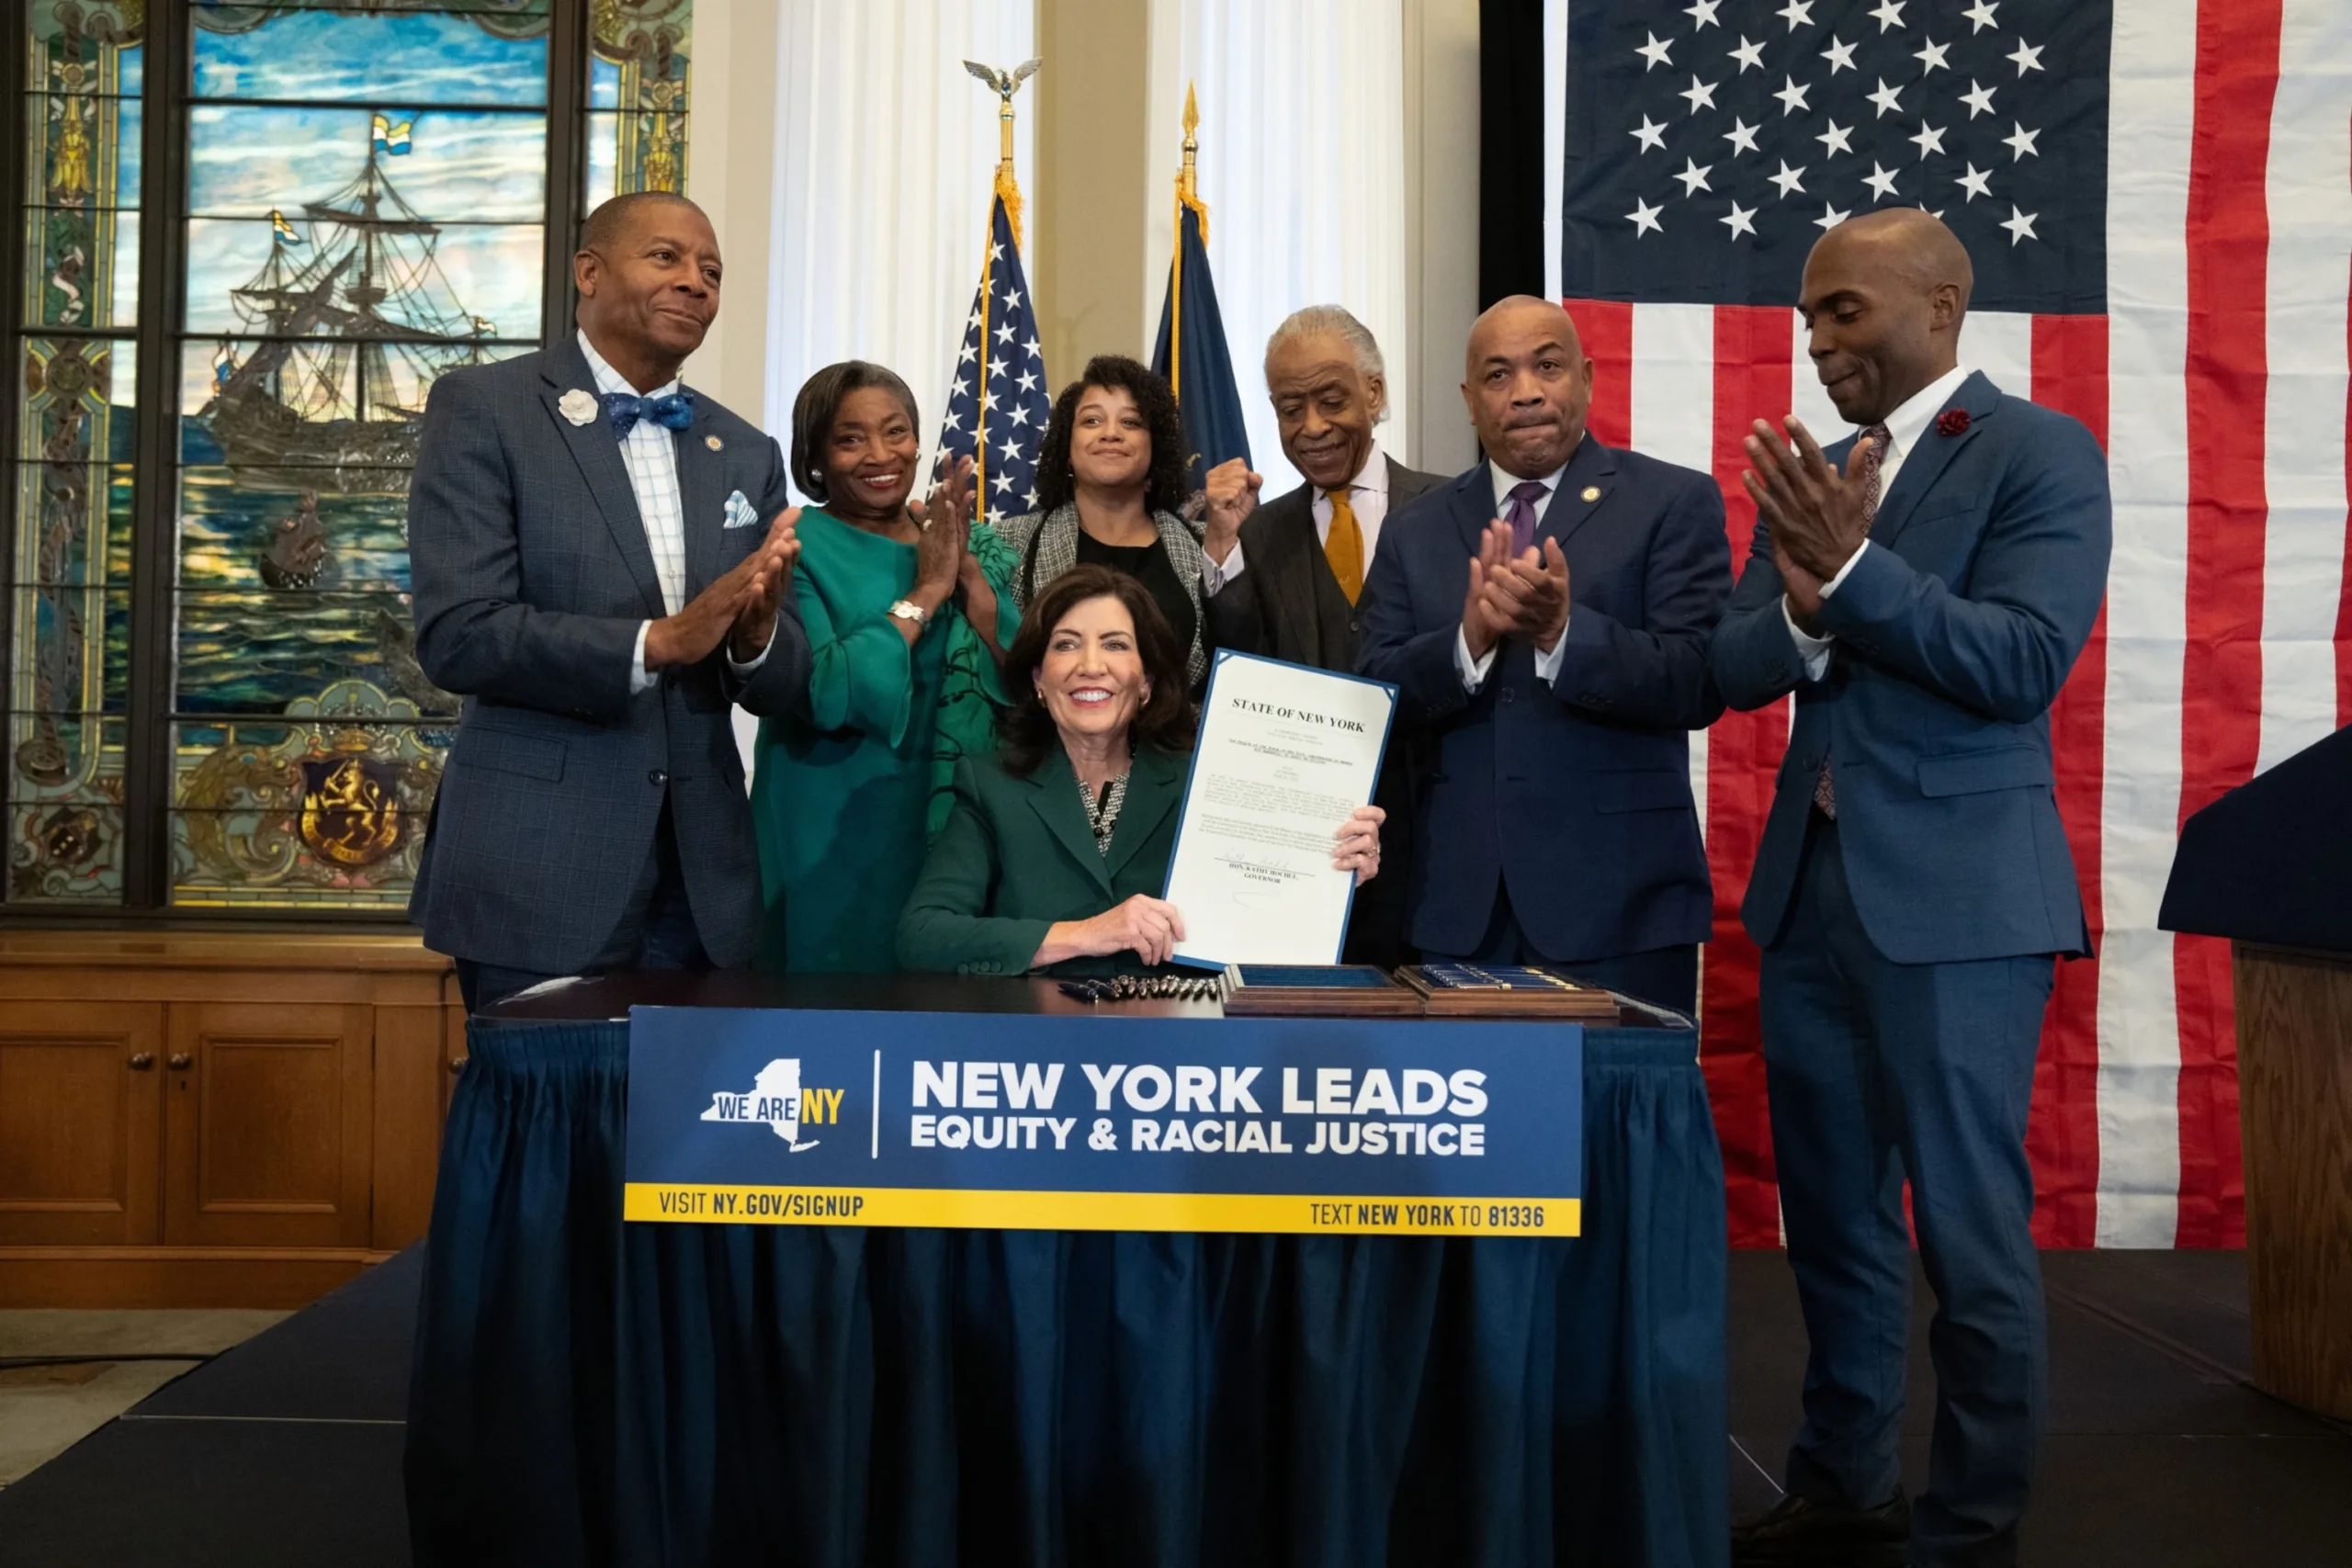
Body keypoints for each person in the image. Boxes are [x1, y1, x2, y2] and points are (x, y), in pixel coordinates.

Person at [1711, 210, 2109, 1568]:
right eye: (1809, 318)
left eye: (1844, 313)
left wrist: (1860, 573)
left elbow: (2022, 662)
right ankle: (1843, 1478)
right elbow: (1730, 656)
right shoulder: (1819, 471)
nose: (1818, 343)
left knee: (1971, 1232)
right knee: (1830, 1218)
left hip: (1959, 910)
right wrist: (1806, 612)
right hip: (1813, 898)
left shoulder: (2040, 451)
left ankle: (1971, 1523)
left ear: (1940, 304)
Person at [407, 190, 808, 1011]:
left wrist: (755, 639)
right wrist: (656, 642)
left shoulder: (747, 452)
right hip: (539, 867)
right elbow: (459, 634)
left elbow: (779, 681)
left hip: (702, 888)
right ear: (589, 272)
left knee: (682, 1139)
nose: (696, 283)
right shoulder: (486, 407)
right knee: (541, 1130)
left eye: (712, 270)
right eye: (667, 258)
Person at [1354, 296, 1729, 1013]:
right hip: (1459, 910)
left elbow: (1701, 678)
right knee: (1482, 1127)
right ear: (1470, 400)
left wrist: (1565, 633)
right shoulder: (1416, 530)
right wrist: (1467, 643)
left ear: (1586, 377)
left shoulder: (1669, 502)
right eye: (1498, 375)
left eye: (1547, 366)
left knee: (1613, 1121)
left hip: (1621, 904)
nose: (1525, 390)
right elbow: (1373, 690)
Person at [897, 565, 1381, 976]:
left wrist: (1327, 873)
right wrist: (1089, 934)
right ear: (1039, 680)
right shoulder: (991, 784)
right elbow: (924, 936)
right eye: (1066, 645)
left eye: (1114, 645)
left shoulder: (1209, 781)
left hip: (1180, 1056)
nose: (1091, 665)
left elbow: (1266, 924)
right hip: (1034, 1057)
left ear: (1146, 681)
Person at [747, 360, 1020, 972]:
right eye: (850, 439)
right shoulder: (795, 544)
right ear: (815, 457)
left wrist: (968, 576)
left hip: (955, 816)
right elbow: (827, 689)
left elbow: (1028, 679)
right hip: (831, 821)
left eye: (896, 431)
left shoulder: (962, 538)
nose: (880, 454)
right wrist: (925, 592)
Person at [1199, 305, 1443, 966]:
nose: (1311, 427)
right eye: (1288, 408)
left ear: (1375, 391)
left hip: (1439, 854)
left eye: (1330, 400)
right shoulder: (1255, 531)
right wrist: (1222, 544)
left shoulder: (1452, 510)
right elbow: (1234, 667)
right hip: (1304, 859)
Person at [994, 355, 1210, 689]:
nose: (1111, 433)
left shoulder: (1208, 545)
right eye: (1092, 421)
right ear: (1067, 446)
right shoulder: (1009, 542)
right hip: (1049, 738)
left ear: (1156, 447)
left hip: (1184, 738)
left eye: (1131, 423)